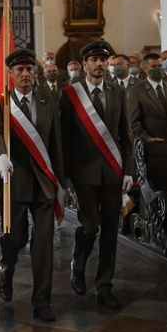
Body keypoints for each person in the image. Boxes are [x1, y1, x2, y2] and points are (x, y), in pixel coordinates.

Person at [0, 48, 65, 322]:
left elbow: (56, 143)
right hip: (14, 180)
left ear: (36, 72)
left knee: (43, 244)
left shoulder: (48, 99)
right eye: (19, 70)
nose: (25, 74)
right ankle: (6, 266)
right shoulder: (1, 102)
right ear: (10, 74)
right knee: (15, 239)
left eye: (29, 69)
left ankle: (42, 302)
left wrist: (62, 183)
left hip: (44, 182)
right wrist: (1, 157)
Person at [58, 40, 133, 309]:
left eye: (104, 59)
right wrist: (65, 176)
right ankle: (78, 265)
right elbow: (63, 138)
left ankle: (104, 286)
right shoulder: (70, 94)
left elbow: (126, 134)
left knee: (111, 231)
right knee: (90, 227)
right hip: (83, 173)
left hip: (112, 172)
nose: (100, 64)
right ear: (85, 64)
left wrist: (128, 170)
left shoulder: (117, 91)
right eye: (95, 60)